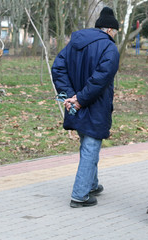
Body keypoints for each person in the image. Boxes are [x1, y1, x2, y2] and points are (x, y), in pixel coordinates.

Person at [51, 7, 119, 208]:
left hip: (76, 104)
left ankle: (92, 184)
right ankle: (80, 195)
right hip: (93, 106)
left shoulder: (74, 43)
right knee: (90, 146)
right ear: (109, 30)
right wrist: (79, 99)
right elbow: (100, 79)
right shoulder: (110, 48)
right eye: (115, 31)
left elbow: (58, 68)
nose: (115, 35)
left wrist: (70, 95)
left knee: (88, 144)